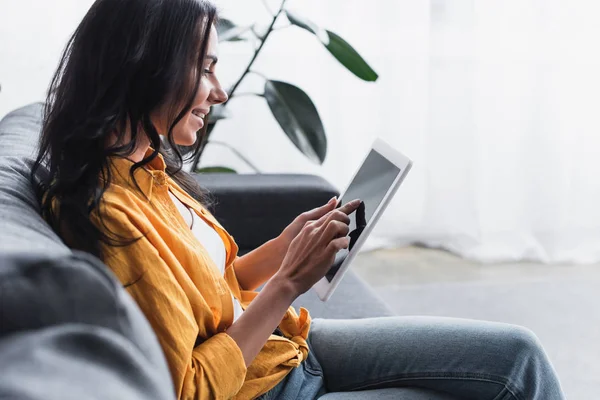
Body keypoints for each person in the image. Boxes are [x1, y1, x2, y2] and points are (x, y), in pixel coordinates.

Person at [32, 0, 566, 399]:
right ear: (146, 67)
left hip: (282, 349)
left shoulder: (143, 167)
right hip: (268, 389)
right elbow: (189, 388)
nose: (218, 92)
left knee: (517, 353)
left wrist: (284, 250)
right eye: (207, 67)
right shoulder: (111, 214)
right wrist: (288, 284)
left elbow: (210, 292)